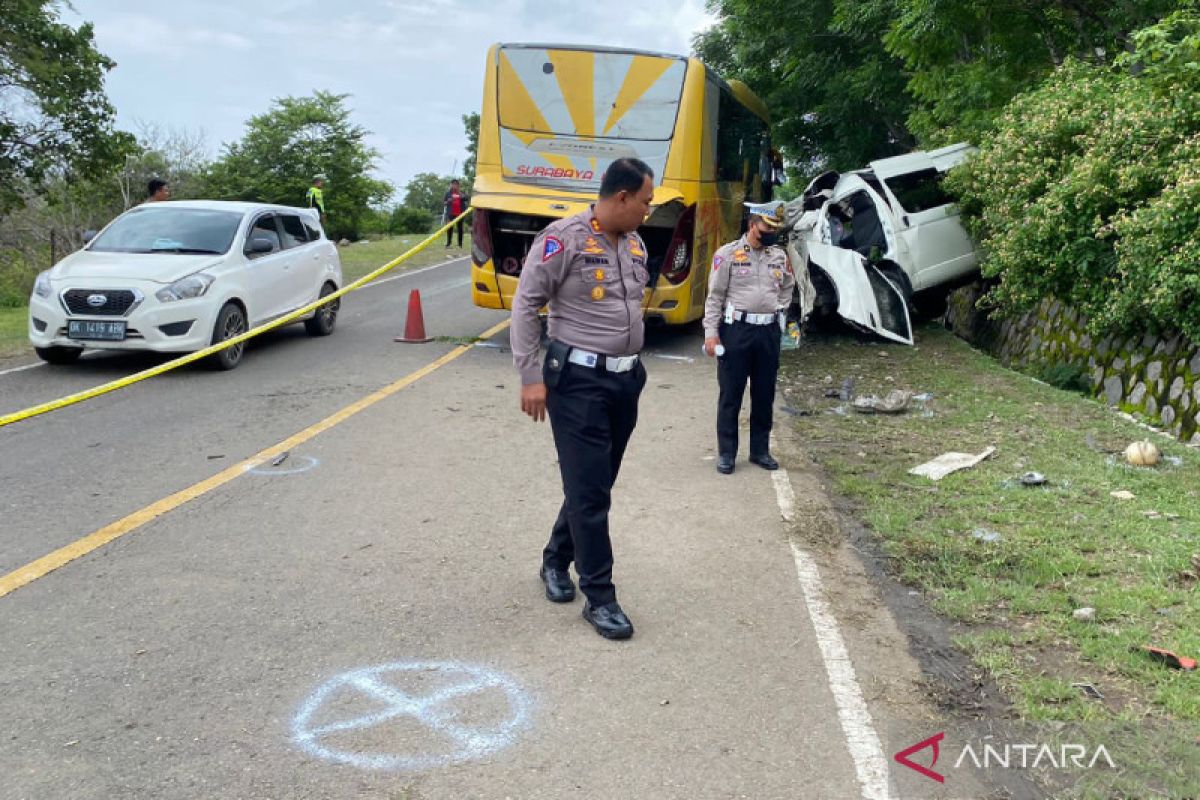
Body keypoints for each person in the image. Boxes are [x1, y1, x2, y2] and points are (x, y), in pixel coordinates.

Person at [510, 158, 654, 640]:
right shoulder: (563, 239)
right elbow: (527, 304)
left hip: (624, 381)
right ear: (621, 198)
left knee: (593, 484)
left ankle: (555, 559)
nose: (648, 211)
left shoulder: (634, 242)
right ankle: (600, 596)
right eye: (645, 202)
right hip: (577, 383)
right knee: (591, 493)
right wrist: (531, 376)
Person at [703, 201, 796, 475]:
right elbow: (715, 297)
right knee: (731, 394)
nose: (771, 232)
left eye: (775, 228)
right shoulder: (728, 254)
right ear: (753, 224)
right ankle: (727, 454)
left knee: (764, 393)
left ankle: (760, 451)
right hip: (737, 331)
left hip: (768, 332)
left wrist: (778, 309)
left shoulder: (778, 256)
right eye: (767, 227)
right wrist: (711, 333)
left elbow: (788, 286)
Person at [443, 179, 469, 248]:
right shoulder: (448, 193)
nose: (454, 186)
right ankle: (449, 243)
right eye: (453, 184)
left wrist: (459, 193)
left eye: (456, 184)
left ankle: (460, 244)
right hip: (451, 213)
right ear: (451, 185)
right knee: (449, 228)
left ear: (458, 185)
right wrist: (448, 201)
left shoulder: (461, 192)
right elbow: (444, 203)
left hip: (460, 213)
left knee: (460, 228)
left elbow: (466, 198)